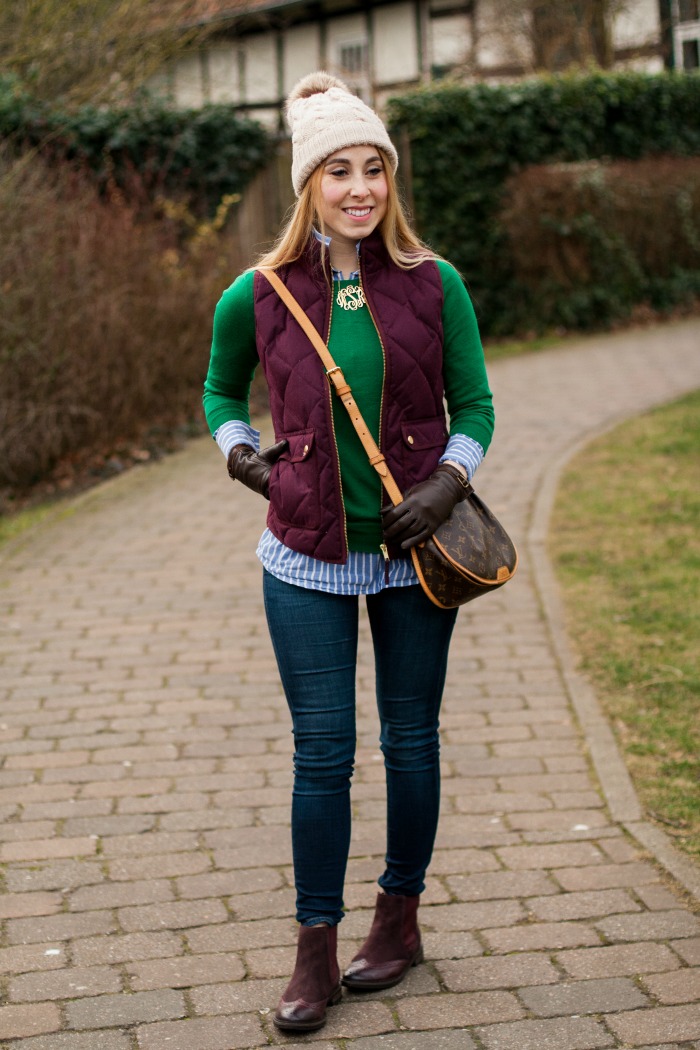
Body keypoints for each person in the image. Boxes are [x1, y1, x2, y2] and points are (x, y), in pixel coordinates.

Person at [203, 71, 494, 1033]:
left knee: (411, 743)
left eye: (375, 168)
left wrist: (448, 482)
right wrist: (243, 456)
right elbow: (218, 393)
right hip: (303, 557)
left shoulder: (433, 281)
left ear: (391, 180)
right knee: (321, 755)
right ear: (308, 184)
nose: (361, 187)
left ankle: (398, 921)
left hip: (414, 559)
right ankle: (314, 952)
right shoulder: (259, 292)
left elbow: (477, 405)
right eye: (340, 171)